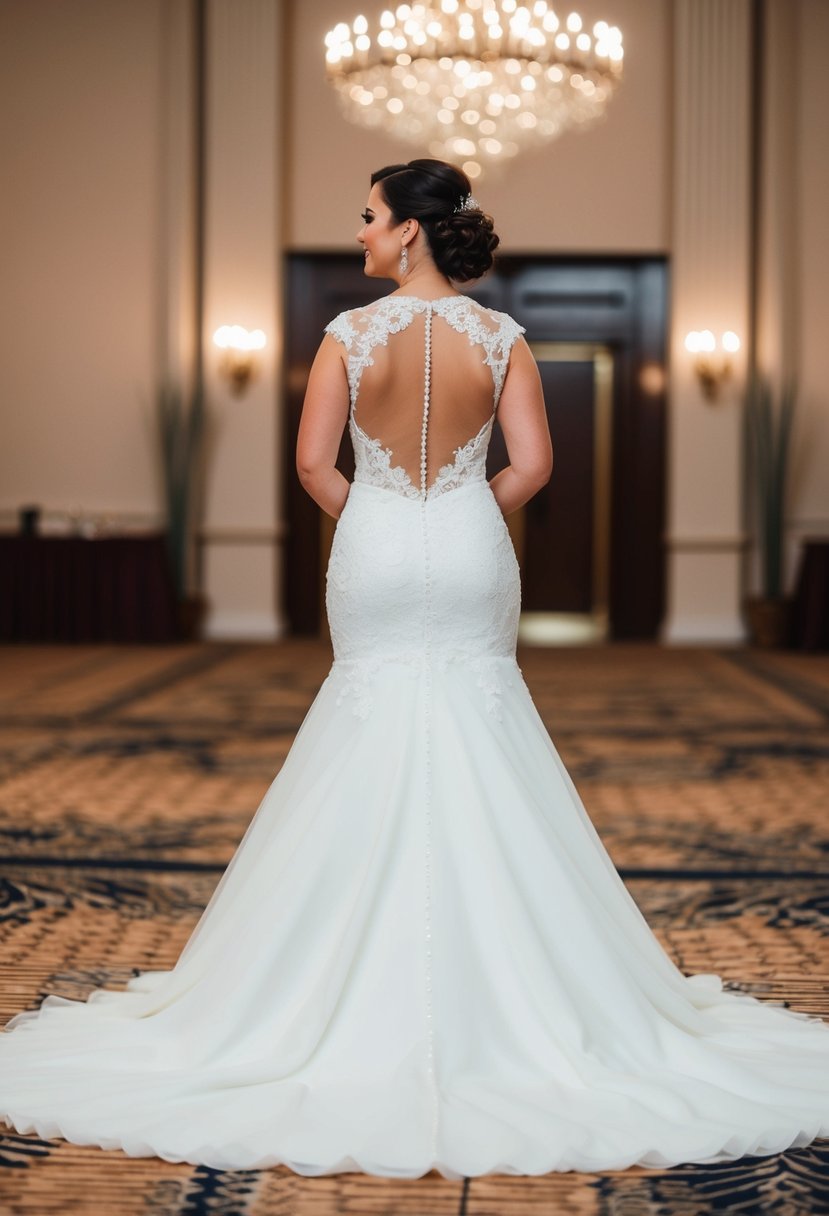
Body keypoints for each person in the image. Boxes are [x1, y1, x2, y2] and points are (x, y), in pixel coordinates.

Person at [0, 158, 827, 1180]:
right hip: (474, 543)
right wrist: (464, 512)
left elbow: (313, 465)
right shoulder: (503, 339)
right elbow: (534, 465)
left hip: (379, 545)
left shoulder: (348, 336)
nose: (360, 235)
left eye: (368, 218)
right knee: (483, 719)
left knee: (371, 713)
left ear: (409, 232)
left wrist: (385, 518)